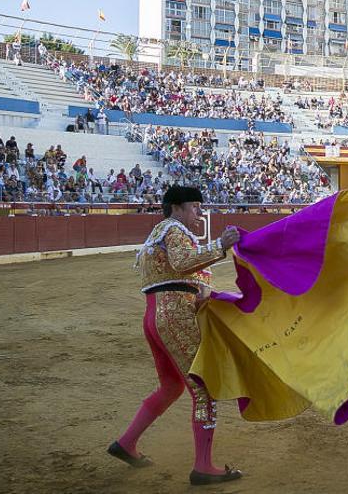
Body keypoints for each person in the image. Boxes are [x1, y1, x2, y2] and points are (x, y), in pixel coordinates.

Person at [108, 185, 243, 486]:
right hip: (175, 315)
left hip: (155, 316)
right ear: (176, 207)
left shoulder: (157, 234)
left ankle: (126, 443)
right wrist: (221, 245)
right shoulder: (174, 230)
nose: (198, 213)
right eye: (195, 206)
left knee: (171, 386)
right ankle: (203, 466)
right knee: (203, 389)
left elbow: (178, 275)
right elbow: (183, 264)